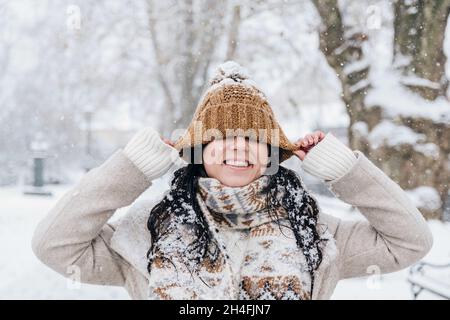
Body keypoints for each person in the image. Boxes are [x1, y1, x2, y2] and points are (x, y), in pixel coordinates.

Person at [32, 61, 432, 300]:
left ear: (272, 152)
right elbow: (54, 246)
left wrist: (345, 170)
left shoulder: (315, 230)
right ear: (198, 151)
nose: (238, 148)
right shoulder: (147, 230)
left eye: (254, 138)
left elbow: (410, 242)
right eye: (221, 137)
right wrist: (132, 168)